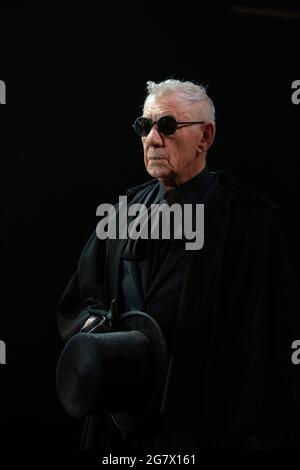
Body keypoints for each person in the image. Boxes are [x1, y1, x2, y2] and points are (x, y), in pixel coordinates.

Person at [57, 79, 300, 450]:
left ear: (205, 137)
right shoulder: (124, 212)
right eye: (144, 126)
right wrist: (105, 338)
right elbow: (81, 300)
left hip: (204, 425)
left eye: (167, 126)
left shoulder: (247, 221)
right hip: (123, 423)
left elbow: (269, 339)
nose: (153, 139)